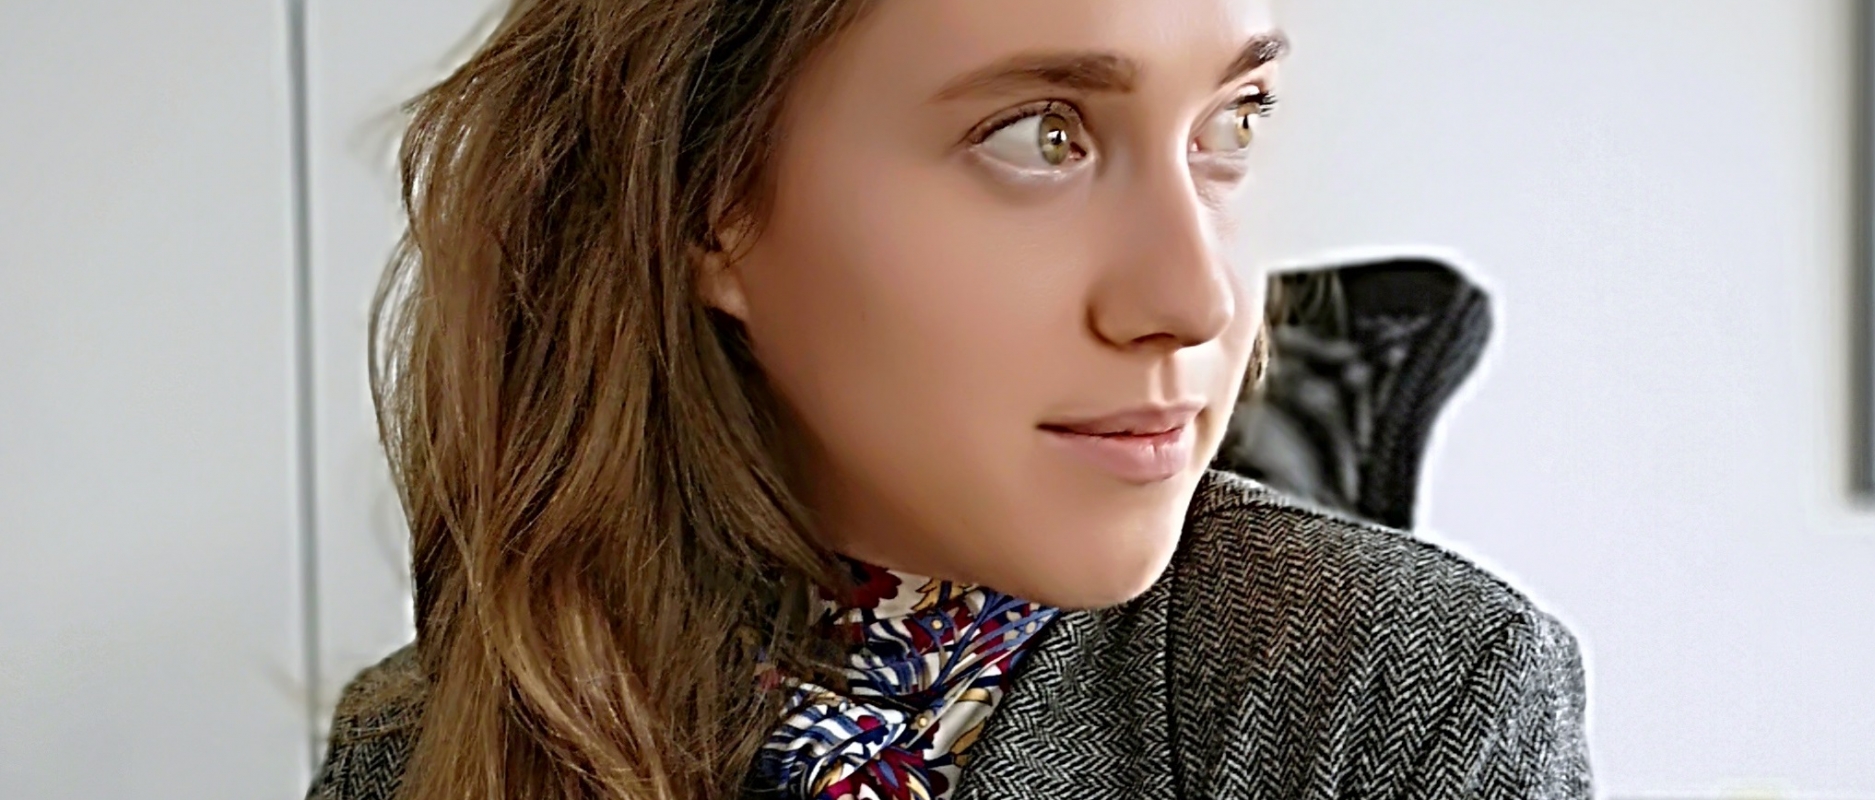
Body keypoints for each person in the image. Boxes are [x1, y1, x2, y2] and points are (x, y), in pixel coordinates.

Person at [306, 0, 1593, 798]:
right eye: (1041, 134)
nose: (1198, 298)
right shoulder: (423, 739)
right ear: (713, 203)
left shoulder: (1404, 700)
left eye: (1232, 125)